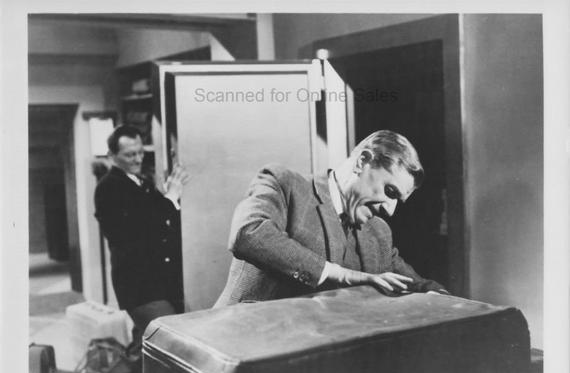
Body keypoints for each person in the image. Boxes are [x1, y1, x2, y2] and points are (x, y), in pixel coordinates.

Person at [214, 130, 447, 307]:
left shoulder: (379, 231)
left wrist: (441, 296)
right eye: (390, 192)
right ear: (362, 162)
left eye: (397, 201)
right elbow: (248, 232)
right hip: (243, 342)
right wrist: (341, 273)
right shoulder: (285, 184)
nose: (390, 210)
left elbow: (414, 283)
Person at [94, 124, 189, 343]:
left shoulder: (142, 182)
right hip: (140, 287)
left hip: (160, 282)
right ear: (112, 155)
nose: (138, 159)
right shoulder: (108, 188)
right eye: (130, 155)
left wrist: (169, 199)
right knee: (171, 341)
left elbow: (162, 221)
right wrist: (170, 197)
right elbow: (138, 232)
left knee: (150, 347)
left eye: (140, 153)